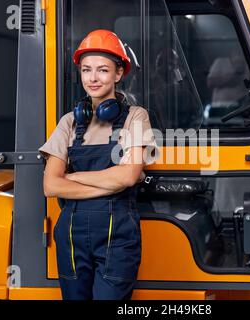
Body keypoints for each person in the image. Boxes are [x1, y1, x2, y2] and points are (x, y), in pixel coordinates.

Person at [39, 29, 159, 300]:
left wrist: (75, 176)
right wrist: (109, 183)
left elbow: (128, 176)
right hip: (71, 236)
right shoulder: (69, 121)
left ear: (118, 74)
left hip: (117, 237)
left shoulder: (135, 117)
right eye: (86, 70)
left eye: (102, 70)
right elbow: (51, 185)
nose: (92, 78)